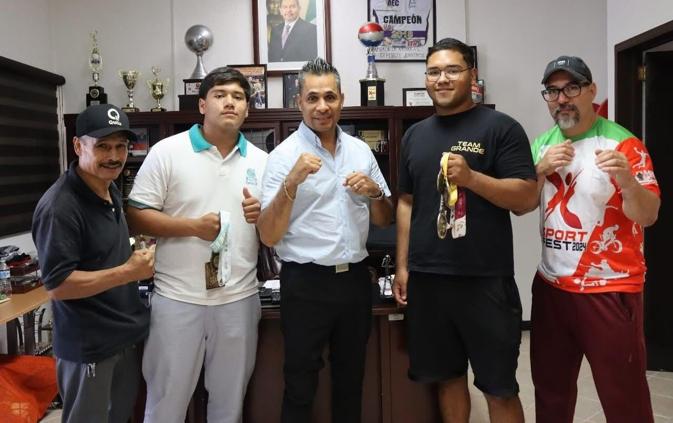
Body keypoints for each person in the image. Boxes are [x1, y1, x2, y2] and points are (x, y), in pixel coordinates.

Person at [392, 37, 538, 423]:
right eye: (434, 72)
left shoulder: (501, 128)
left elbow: (526, 198)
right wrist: (403, 266)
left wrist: (473, 179)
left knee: (499, 388)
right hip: (429, 279)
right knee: (447, 379)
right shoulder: (414, 135)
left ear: (472, 75)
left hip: (485, 280)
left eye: (452, 70)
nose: (442, 79)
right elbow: (406, 202)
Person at [126, 67, 268, 423]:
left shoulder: (263, 161)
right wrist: (192, 227)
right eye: (220, 95)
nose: (229, 102)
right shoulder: (167, 152)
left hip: (238, 300)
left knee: (229, 406)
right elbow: (136, 215)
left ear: (247, 109)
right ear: (203, 105)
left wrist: (262, 215)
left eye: (238, 97)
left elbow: (272, 232)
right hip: (177, 299)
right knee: (166, 404)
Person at [257, 57, 393, 423]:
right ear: (298, 102)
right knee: (300, 384)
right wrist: (291, 182)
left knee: (351, 380)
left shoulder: (360, 151)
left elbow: (385, 218)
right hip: (305, 282)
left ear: (342, 99)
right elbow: (268, 234)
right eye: (313, 98)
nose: (322, 106)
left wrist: (375, 192)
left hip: (354, 281)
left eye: (330, 97)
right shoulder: (283, 157)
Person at [526, 55, 660, 423]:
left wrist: (628, 181)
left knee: (625, 399)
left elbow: (648, 214)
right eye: (552, 91)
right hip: (552, 285)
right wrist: (538, 170)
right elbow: (524, 203)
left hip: (609, 288)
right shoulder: (541, 145)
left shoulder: (623, 144)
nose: (562, 99)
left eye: (571, 88)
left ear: (591, 91)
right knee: (550, 393)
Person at [32, 104, 154, 423]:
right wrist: (128, 272)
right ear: (78, 146)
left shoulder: (109, 188)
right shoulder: (60, 207)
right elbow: (58, 286)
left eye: (120, 146)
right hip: (89, 347)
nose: (113, 156)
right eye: (102, 146)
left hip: (123, 338)